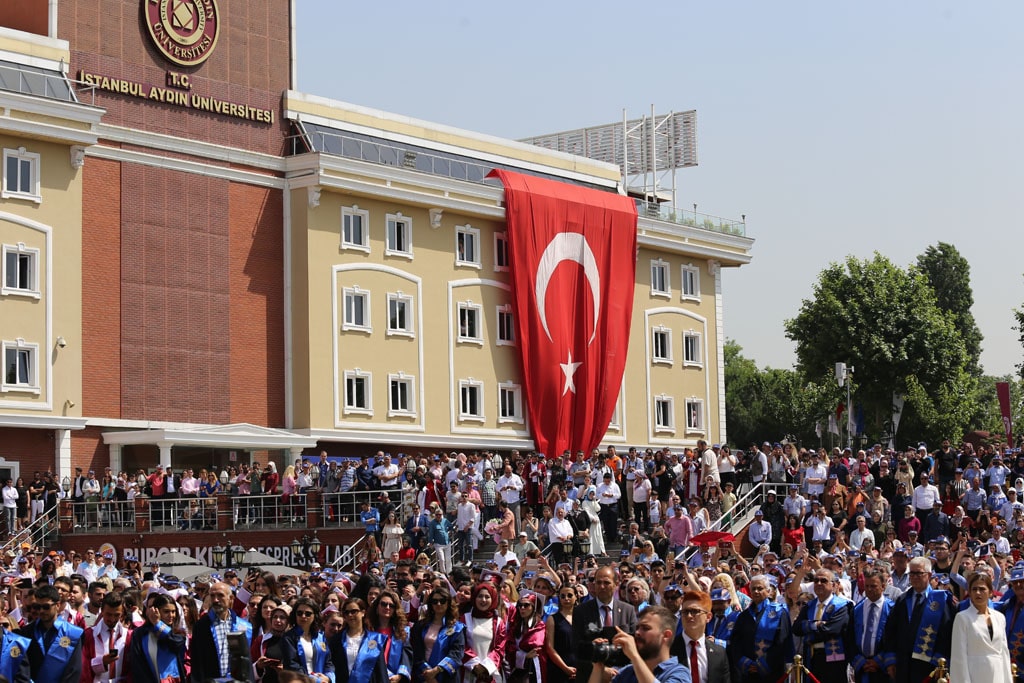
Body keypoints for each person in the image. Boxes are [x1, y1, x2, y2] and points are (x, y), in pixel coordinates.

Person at [881, 556, 954, 683]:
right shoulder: (902, 600)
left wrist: (939, 662)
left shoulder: (941, 601)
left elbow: (946, 634)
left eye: (919, 573)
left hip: (929, 667)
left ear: (929, 575)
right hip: (903, 665)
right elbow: (891, 631)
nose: (914, 577)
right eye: (912, 573)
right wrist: (891, 660)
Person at [587, 605, 691, 683]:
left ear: (666, 635)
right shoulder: (628, 672)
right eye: (637, 628)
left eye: (645, 628)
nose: (637, 633)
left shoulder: (679, 673)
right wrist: (598, 666)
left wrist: (635, 656)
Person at [572, 566, 638, 683]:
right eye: (598, 582)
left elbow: (635, 645)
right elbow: (576, 647)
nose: (602, 586)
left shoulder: (628, 610)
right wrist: (600, 667)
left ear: (616, 584)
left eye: (606, 582)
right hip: (590, 675)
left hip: (622, 675)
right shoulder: (581, 611)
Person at [726, 575, 792, 683]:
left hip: (772, 671)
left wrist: (762, 664)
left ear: (768, 591)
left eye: (760, 588)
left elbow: (782, 642)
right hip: (748, 672)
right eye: (753, 589)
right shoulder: (744, 616)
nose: (756, 591)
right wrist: (745, 662)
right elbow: (735, 642)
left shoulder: (779, 612)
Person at [951, 571, 1013, 683]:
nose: (978, 593)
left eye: (982, 589)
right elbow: (959, 657)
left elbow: (1004, 653)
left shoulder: (999, 618)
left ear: (990, 592)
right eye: (974, 589)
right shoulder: (962, 618)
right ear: (969, 592)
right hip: (975, 676)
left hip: (998, 675)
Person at [792, 569, 853, 683]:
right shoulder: (809, 606)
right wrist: (816, 624)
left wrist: (808, 629)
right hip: (812, 657)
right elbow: (796, 628)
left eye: (823, 581)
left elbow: (831, 630)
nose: (819, 584)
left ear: (833, 585)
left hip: (834, 659)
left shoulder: (842, 606)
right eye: (816, 581)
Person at [17, 584, 83, 683]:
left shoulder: (73, 633)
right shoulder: (26, 632)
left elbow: (73, 670)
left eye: (46, 607)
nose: (41, 611)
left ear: (57, 605)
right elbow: (22, 669)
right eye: (38, 607)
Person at [190, 581, 253, 682]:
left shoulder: (244, 626)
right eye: (212, 596)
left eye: (220, 595)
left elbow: (247, 661)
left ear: (231, 598)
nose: (215, 600)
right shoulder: (201, 626)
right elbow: (197, 663)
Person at [126, 593, 187, 683]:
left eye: (173, 611)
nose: (171, 615)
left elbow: (175, 643)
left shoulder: (177, 633)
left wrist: (158, 624)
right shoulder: (140, 634)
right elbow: (137, 665)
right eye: (166, 611)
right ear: (156, 611)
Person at [671, 591, 730, 683]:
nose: (689, 616)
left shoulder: (719, 653)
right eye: (685, 612)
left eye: (695, 611)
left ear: (708, 617)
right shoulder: (668, 649)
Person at [410, 589, 465, 683]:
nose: (438, 604)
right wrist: (427, 673)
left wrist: (436, 671)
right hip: (422, 675)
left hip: (446, 676)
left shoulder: (457, 628)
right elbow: (415, 650)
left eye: (442, 601)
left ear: (448, 603)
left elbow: (456, 653)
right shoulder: (420, 626)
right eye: (435, 601)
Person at [328, 598, 389, 683]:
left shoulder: (375, 639)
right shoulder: (337, 640)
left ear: (363, 613)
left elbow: (381, 672)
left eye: (354, 611)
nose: (350, 615)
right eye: (346, 612)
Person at [850, 570, 893, 683]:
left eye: (873, 586)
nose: (869, 589)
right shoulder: (857, 609)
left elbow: (895, 639)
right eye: (867, 586)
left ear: (883, 586)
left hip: (883, 668)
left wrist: (878, 661)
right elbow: (849, 637)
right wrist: (860, 661)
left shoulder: (892, 609)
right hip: (861, 666)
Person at [461, 583, 506, 683]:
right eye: (480, 596)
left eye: (487, 597)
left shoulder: (498, 622)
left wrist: (485, 667)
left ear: (493, 599)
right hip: (469, 671)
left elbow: (499, 648)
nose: (483, 600)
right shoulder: (465, 618)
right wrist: (475, 665)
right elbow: (461, 644)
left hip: (490, 672)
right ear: (474, 598)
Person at [81, 592, 130, 683]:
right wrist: (101, 662)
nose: (112, 619)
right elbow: (83, 667)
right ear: (102, 611)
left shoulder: (129, 636)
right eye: (108, 614)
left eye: (116, 615)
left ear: (122, 613)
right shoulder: (88, 635)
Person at [367, 590, 411, 683]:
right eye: (383, 604)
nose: (387, 607)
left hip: (394, 679)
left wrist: (399, 675)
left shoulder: (402, 632)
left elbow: (406, 656)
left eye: (391, 606)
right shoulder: (368, 630)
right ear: (377, 607)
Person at [287, 597, 334, 683]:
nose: (303, 616)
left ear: (314, 616)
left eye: (308, 614)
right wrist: (315, 680)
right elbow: (292, 665)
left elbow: (328, 662)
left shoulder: (321, 637)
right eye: (299, 613)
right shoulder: (289, 637)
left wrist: (328, 678)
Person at [506, 592, 546, 683]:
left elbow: (535, 644)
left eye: (526, 605)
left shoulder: (539, 626)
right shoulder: (515, 626)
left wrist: (519, 652)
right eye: (520, 605)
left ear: (534, 608)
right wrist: (524, 655)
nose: (522, 608)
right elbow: (509, 647)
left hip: (534, 668)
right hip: (516, 670)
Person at [545, 584, 578, 683]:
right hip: (559, 670)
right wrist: (565, 668)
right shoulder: (552, 618)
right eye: (562, 596)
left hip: (580, 669)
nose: (566, 598)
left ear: (576, 596)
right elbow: (549, 647)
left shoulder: (582, 617)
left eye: (570, 595)